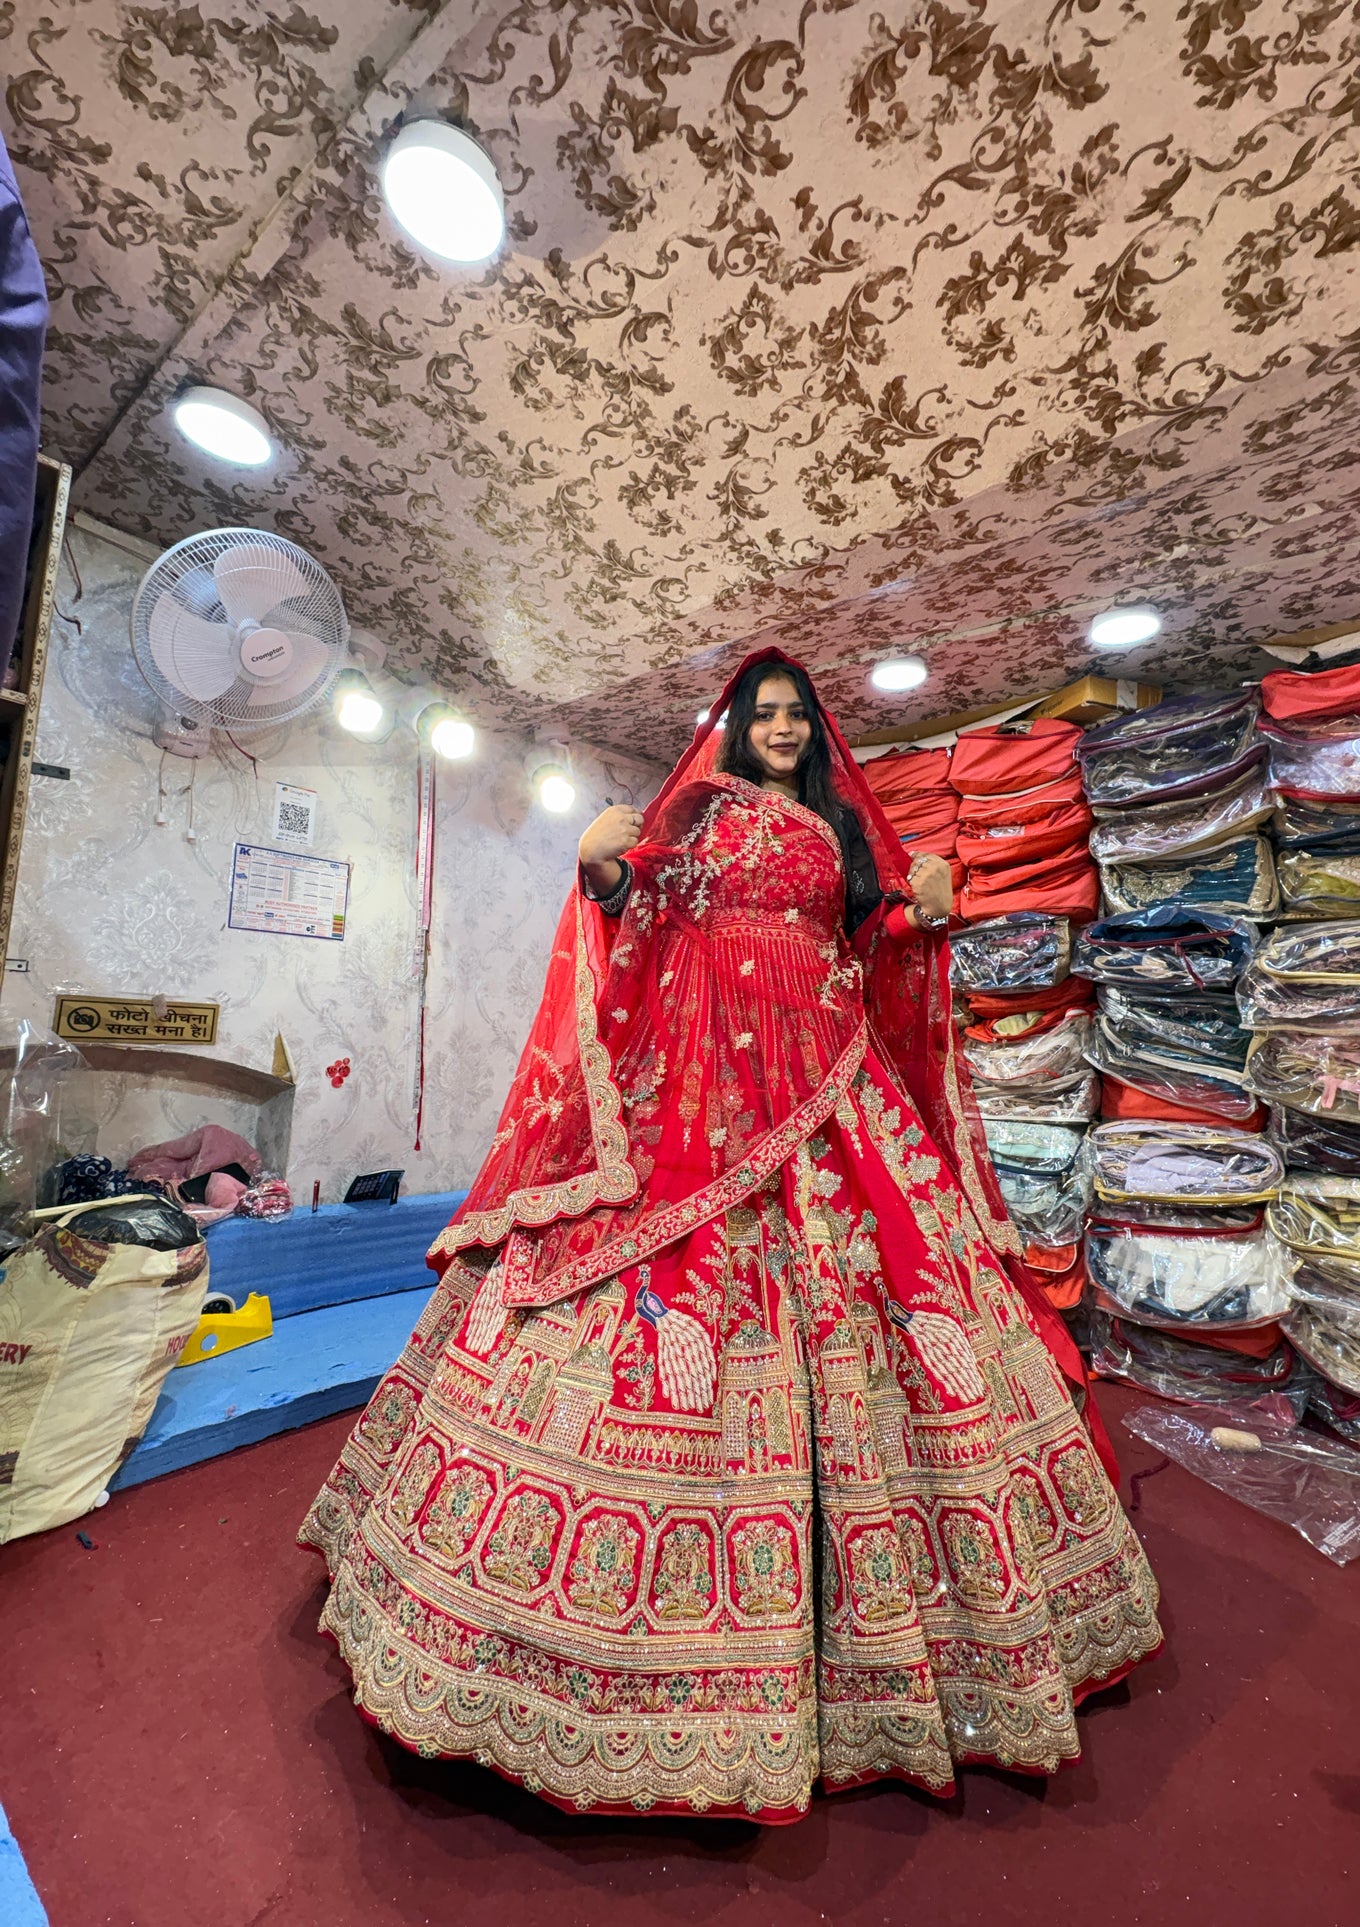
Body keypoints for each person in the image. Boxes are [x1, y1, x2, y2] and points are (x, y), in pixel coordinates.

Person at [300, 648, 1161, 1821]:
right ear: (731, 731)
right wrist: (603, 872)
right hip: (699, 1091)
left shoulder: (838, 837)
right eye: (759, 716)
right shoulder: (696, 815)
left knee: (897, 1290)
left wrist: (923, 902)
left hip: (830, 1084)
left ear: (814, 729)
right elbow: (639, 912)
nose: (779, 731)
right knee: (633, 1286)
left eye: (793, 716)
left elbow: (871, 940)